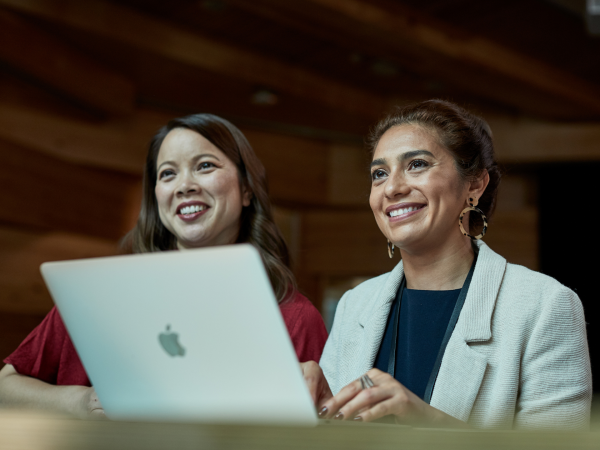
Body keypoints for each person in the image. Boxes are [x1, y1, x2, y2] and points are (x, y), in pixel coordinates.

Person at [0, 113, 328, 419]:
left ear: (246, 189)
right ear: (157, 197)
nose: (184, 185)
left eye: (204, 166)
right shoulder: (97, 298)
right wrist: (80, 402)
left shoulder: (296, 318)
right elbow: (6, 385)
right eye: (168, 173)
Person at [301, 100, 591, 430]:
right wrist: (319, 410)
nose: (393, 187)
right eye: (379, 174)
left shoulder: (544, 305)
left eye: (417, 165)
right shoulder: (356, 304)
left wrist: (422, 419)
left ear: (474, 185)